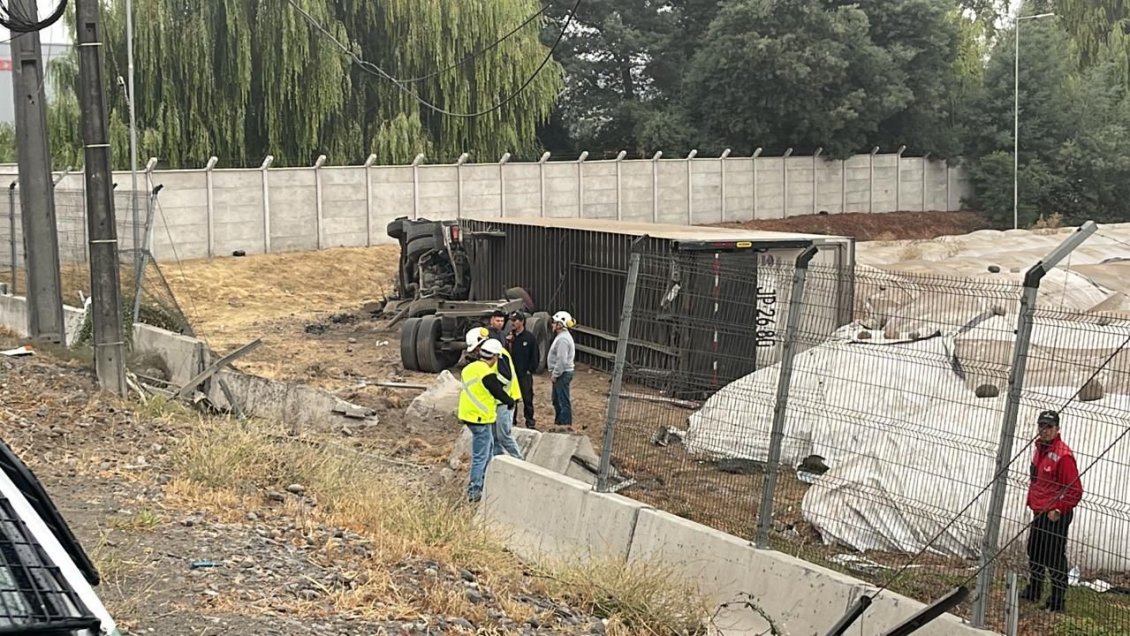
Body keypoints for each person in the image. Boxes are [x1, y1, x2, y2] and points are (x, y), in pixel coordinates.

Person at [1021, 409, 1083, 613]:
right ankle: (1034, 590)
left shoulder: (1063, 456)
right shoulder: (1039, 449)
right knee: (1035, 551)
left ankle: (1057, 600)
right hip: (1040, 510)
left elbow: (1075, 491)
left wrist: (1059, 509)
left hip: (1055, 514)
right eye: (1042, 426)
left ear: (1057, 429)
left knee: (1054, 556)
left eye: (1049, 427)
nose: (1044, 430)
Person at [457, 334, 516, 503]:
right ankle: (475, 491)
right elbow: (497, 391)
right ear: (495, 357)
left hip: (469, 415)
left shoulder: (469, 368)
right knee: (481, 455)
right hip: (480, 418)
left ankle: (485, 482)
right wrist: (510, 402)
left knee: (488, 450)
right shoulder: (487, 373)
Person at [468, 327, 523, 460]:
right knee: (494, 437)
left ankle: (519, 462)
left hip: (505, 400)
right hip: (496, 401)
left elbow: (505, 377)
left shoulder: (499, 353)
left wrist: (492, 386)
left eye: (476, 349)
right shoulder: (487, 356)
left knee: (503, 435)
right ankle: (498, 462)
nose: (476, 352)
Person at [507, 312, 540, 429]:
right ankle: (512, 421)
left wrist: (530, 370)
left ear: (522, 322)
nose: (513, 323)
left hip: (524, 374)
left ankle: (530, 422)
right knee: (512, 399)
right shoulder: (510, 338)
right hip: (512, 374)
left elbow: (535, 355)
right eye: (512, 320)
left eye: (515, 321)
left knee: (527, 398)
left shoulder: (529, 338)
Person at [547, 310, 576, 428]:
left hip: (562, 374)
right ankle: (559, 424)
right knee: (557, 400)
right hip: (562, 373)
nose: (552, 325)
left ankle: (565, 426)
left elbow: (562, 360)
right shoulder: (562, 337)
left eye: (554, 322)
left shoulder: (563, 339)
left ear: (560, 324)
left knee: (562, 400)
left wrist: (555, 374)